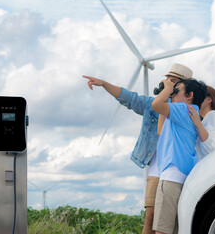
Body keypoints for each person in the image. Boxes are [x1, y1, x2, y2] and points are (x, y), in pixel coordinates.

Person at [82, 63, 192, 234]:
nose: (168, 84)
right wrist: (104, 84)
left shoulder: (187, 109)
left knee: (174, 219)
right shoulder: (152, 104)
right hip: (157, 165)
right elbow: (129, 98)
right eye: (167, 80)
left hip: (176, 166)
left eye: (174, 82)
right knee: (150, 216)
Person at [151, 78, 206, 234]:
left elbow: (155, 105)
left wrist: (167, 89)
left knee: (162, 230)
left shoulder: (182, 109)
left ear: (190, 95)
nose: (173, 95)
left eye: (177, 91)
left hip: (171, 177)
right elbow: (161, 131)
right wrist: (168, 96)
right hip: (185, 177)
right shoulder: (194, 114)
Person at [187, 85, 215, 159]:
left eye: (199, 96)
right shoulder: (204, 121)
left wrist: (198, 124)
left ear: (209, 99)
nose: (195, 99)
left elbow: (213, 148)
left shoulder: (213, 115)